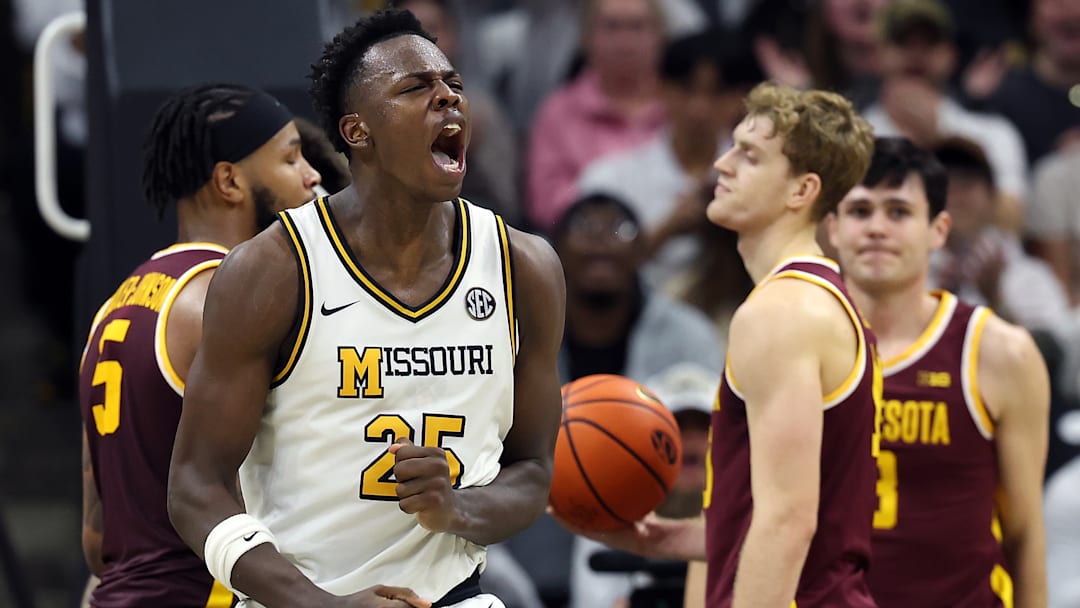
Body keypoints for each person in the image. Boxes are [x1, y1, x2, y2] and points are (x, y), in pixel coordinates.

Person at [167, 10, 566, 608]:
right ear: (358, 132)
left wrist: (459, 507)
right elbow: (194, 487)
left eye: (453, 85)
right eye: (415, 87)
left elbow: (533, 473)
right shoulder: (274, 269)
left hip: (454, 595)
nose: (448, 99)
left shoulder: (523, 267)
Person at [556, 82, 879, 607]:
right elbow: (788, 515)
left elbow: (789, 520)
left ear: (801, 191)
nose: (721, 165)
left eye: (748, 155)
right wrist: (667, 540)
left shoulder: (780, 312)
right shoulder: (813, 299)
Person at [77, 83, 322, 607]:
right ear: (229, 181)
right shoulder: (230, 301)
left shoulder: (114, 306)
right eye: (290, 158)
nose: (313, 175)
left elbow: (97, 538)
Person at [825, 136, 1049, 607]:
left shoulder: (999, 353)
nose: (877, 229)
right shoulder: (795, 349)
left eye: (899, 212)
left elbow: (1025, 533)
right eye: (860, 211)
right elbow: (741, 512)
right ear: (832, 228)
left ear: (939, 229)